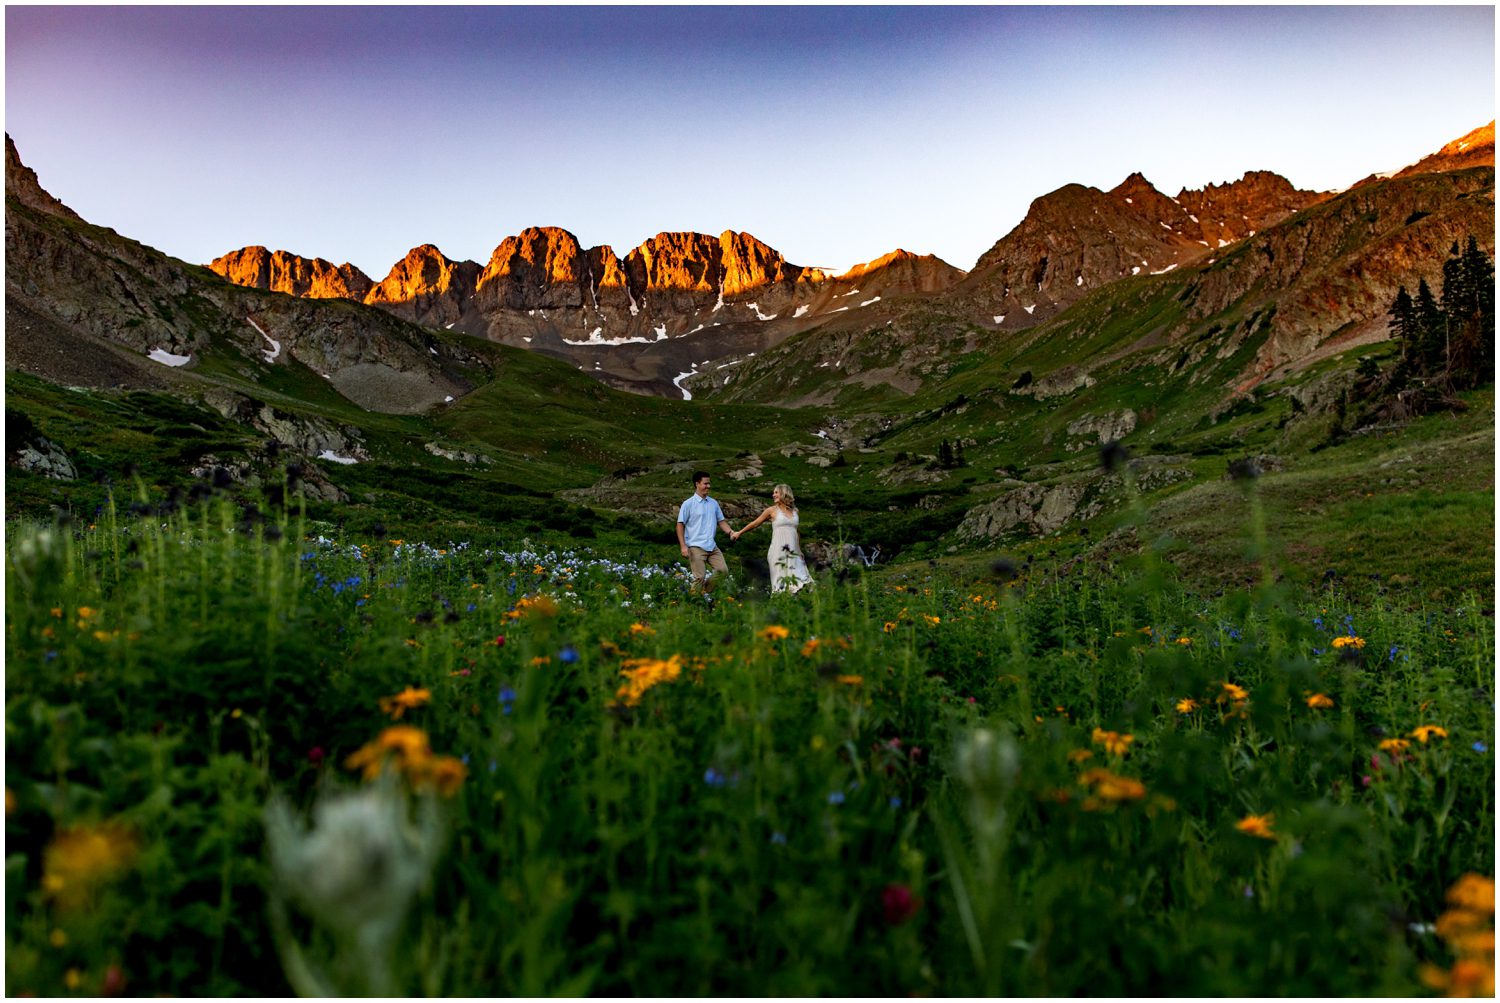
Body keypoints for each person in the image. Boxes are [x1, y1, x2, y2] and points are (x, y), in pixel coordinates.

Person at [732, 483, 814, 593]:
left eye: (776, 492)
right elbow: (755, 523)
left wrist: (799, 550)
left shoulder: (795, 511)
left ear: (784, 493)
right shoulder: (771, 511)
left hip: (793, 553)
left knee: (801, 580)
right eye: (773, 493)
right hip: (778, 552)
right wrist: (739, 532)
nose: (773, 495)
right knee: (781, 586)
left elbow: (796, 531)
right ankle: (782, 606)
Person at [677, 470, 733, 594]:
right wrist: (683, 546)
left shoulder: (713, 503)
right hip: (695, 546)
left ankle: (705, 593)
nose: (708, 486)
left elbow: (721, 522)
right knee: (699, 578)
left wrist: (730, 532)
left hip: (712, 546)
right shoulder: (688, 504)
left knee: (723, 571)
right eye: (705, 483)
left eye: (709, 483)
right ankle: (693, 604)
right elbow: (680, 525)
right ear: (697, 484)